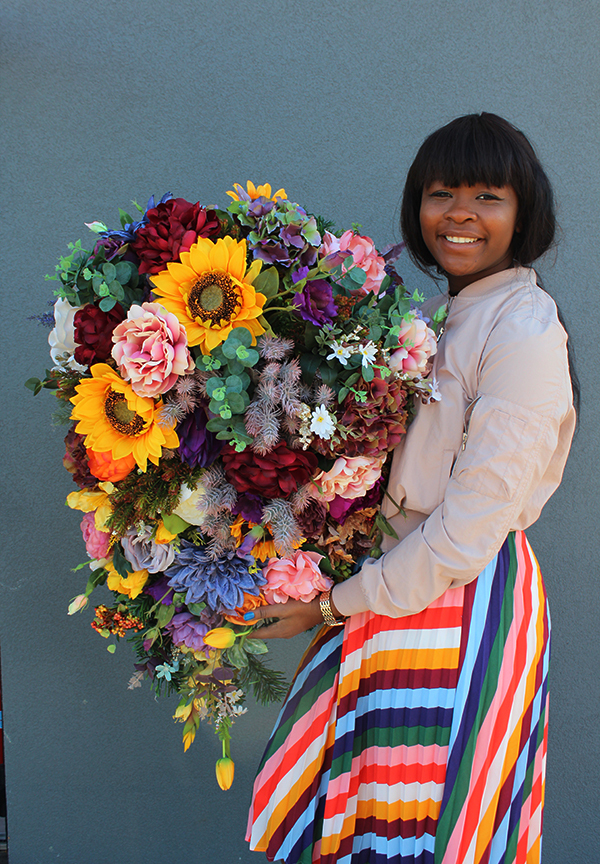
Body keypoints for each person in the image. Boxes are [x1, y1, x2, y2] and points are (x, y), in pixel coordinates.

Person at [244, 113, 577, 864]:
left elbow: (469, 528)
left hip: (457, 600)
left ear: (524, 210)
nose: (460, 213)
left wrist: (331, 605)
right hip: (400, 591)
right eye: (441, 192)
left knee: (428, 827)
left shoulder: (522, 328)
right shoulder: (448, 317)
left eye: (487, 196)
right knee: (380, 818)